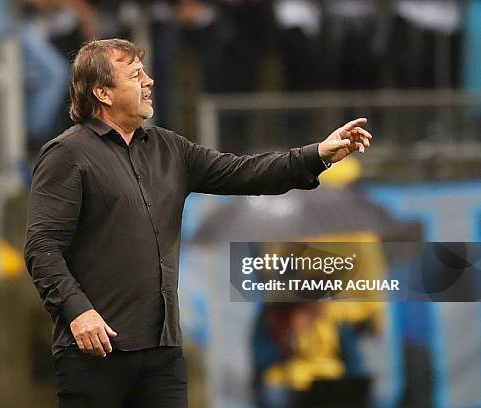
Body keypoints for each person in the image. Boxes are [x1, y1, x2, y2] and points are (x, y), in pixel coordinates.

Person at [23, 38, 373, 408]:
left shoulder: (170, 148)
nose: (149, 80)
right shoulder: (67, 154)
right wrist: (78, 311)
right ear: (103, 93)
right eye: (134, 74)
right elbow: (41, 248)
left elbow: (245, 172)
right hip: (94, 351)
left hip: (163, 353)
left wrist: (317, 154)